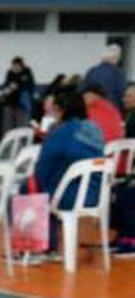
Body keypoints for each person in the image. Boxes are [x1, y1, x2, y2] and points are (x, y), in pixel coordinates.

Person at [30, 90, 104, 262]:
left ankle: (37, 248)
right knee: (53, 185)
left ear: (59, 109)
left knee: (30, 188)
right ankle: (48, 246)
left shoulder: (60, 133)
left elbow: (42, 169)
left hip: (70, 198)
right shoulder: (95, 129)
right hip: (96, 195)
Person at [84, 44, 126, 109]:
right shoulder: (117, 73)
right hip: (111, 108)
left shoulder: (91, 71)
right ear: (115, 58)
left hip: (92, 107)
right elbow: (122, 92)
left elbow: (83, 90)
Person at [0, 57, 35, 133]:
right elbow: (6, 85)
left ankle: (22, 144)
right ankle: (7, 143)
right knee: (7, 126)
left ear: (21, 65)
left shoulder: (26, 72)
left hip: (22, 104)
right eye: (13, 65)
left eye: (17, 66)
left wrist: (15, 86)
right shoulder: (10, 72)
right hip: (9, 102)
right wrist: (7, 90)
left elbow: (29, 86)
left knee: (22, 126)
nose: (15, 67)